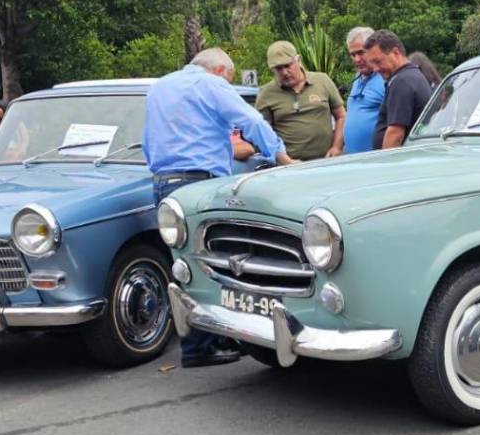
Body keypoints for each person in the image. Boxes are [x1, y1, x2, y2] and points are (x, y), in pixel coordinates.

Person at [144, 47, 296, 368]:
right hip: (200, 183)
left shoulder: (160, 87)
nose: (228, 82)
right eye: (229, 77)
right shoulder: (211, 85)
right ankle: (201, 346)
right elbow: (250, 119)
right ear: (218, 71)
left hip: (163, 182)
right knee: (215, 263)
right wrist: (282, 159)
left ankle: (205, 339)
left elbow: (148, 142)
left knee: (183, 264)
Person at [256, 41, 347, 160]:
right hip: (289, 166)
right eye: (278, 68)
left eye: (287, 65)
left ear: (298, 60)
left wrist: (337, 147)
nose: (284, 72)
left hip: (327, 160)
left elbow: (341, 116)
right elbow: (262, 134)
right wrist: (284, 160)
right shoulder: (266, 94)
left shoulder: (322, 81)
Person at [363, 30, 433, 150]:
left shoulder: (401, 81)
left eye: (377, 61)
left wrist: (386, 164)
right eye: (372, 64)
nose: (374, 69)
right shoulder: (412, 76)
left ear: (396, 52)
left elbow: (395, 134)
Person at [342, 26, 384, 154]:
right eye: (353, 54)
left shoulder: (385, 78)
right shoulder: (358, 77)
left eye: (361, 53)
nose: (356, 59)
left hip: (376, 161)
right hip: (352, 159)